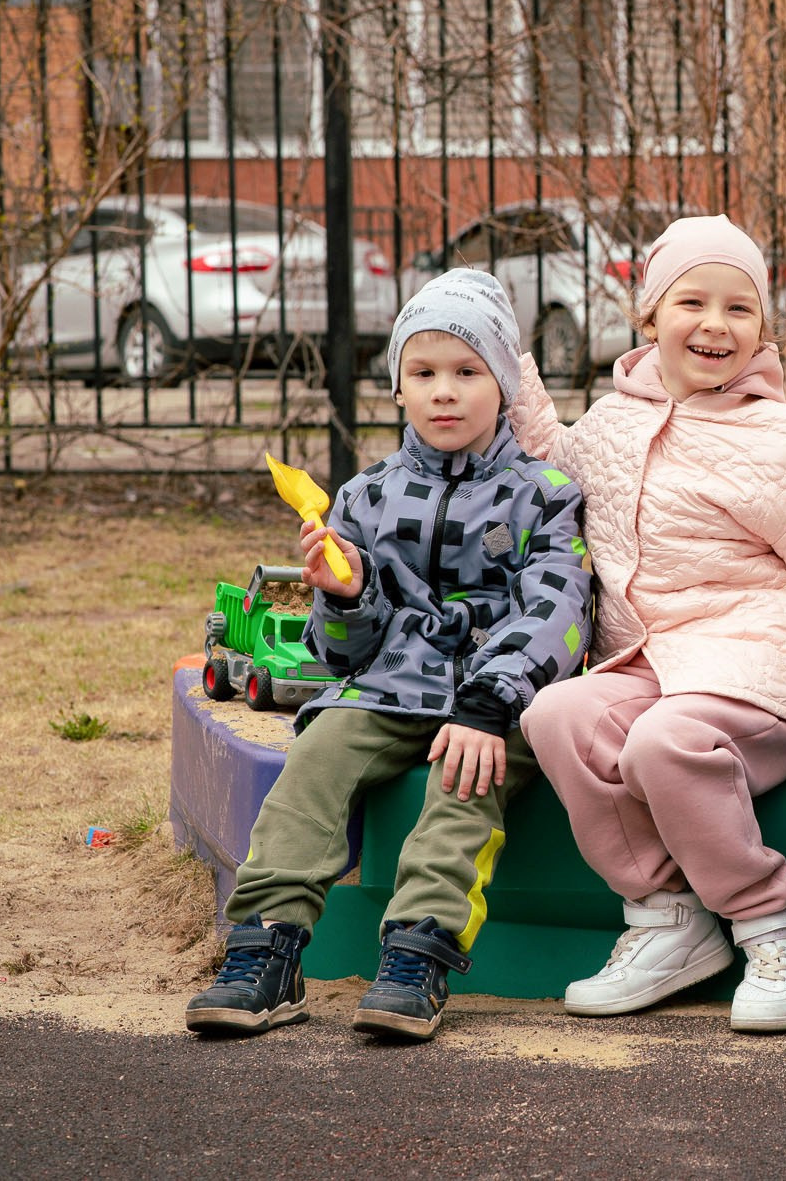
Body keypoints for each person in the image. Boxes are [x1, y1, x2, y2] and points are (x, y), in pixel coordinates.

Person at [185, 268, 592, 1041]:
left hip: (492, 699)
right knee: (316, 755)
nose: (445, 392)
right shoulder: (364, 497)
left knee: (464, 780)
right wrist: (346, 596)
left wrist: (490, 702)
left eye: (468, 372)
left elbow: (558, 611)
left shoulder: (543, 493)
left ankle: (416, 953)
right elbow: (341, 656)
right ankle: (266, 948)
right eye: (424, 372)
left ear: (503, 385)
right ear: (399, 387)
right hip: (387, 685)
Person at [509, 215, 786, 1032]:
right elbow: (551, 465)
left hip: (759, 673)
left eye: (739, 307)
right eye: (692, 301)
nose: (716, 324)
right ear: (649, 316)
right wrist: (507, 363)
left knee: (662, 741)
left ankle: (772, 927)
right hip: (651, 664)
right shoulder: (610, 424)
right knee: (557, 715)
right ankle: (668, 916)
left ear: (762, 328)